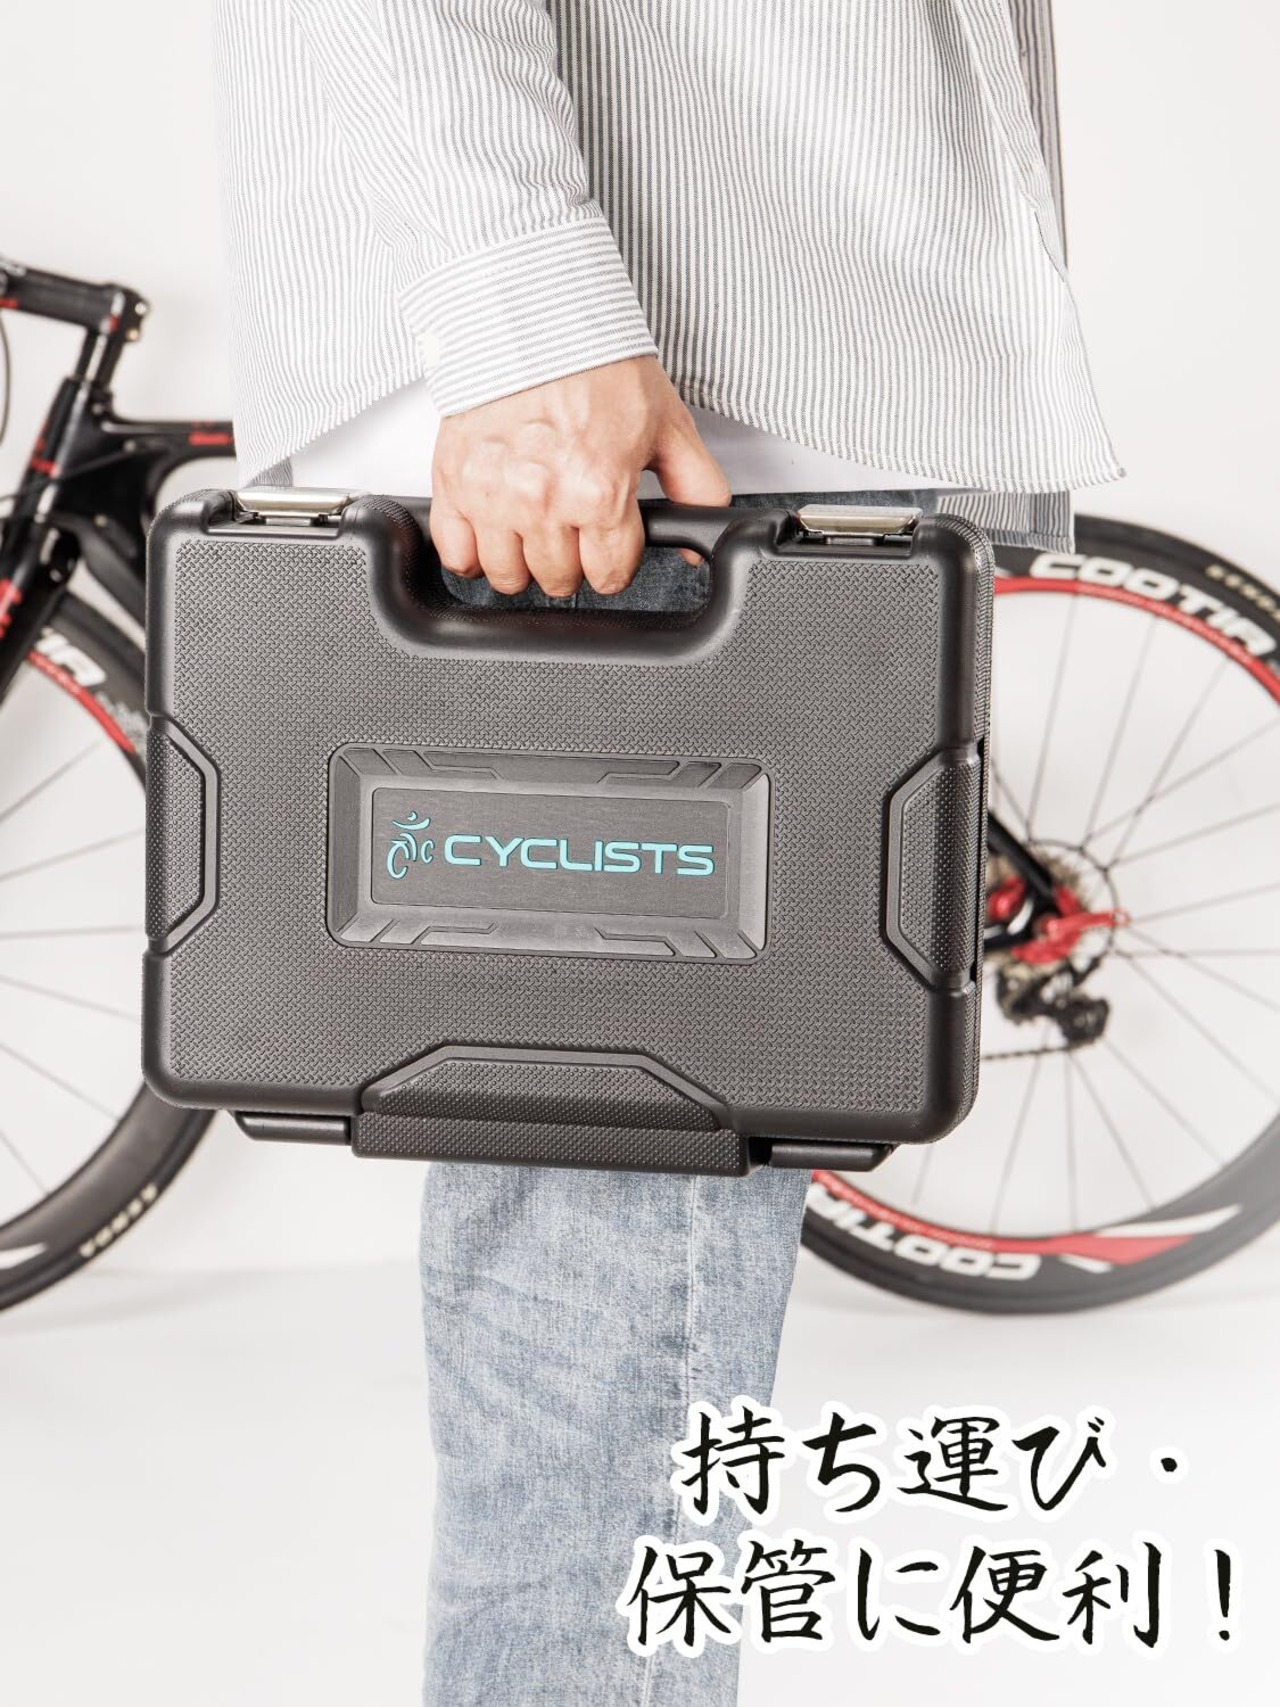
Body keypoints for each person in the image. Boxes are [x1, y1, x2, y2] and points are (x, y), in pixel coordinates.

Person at [211, 2, 1121, 1700]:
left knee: (622, 1298)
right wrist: (522, 312)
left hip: (744, 355)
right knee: (616, 1311)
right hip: (652, 375)